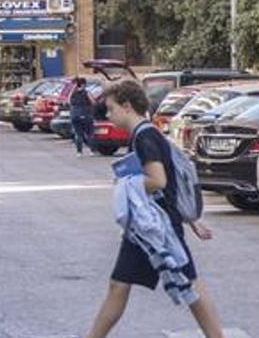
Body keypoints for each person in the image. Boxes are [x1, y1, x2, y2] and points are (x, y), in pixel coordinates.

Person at [86, 80, 224, 338]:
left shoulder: (144, 136)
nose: (108, 115)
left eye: (111, 109)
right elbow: (171, 181)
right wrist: (190, 219)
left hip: (156, 226)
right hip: (148, 225)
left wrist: (127, 185)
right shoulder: (148, 133)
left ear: (127, 106)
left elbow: (158, 180)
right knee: (121, 284)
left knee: (188, 283)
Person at [70, 78, 96, 157]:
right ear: (83, 84)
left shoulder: (73, 93)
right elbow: (93, 102)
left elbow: (69, 101)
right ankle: (92, 151)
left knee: (78, 134)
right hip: (86, 114)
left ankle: (79, 152)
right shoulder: (86, 92)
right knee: (90, 133)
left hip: (75, 115)